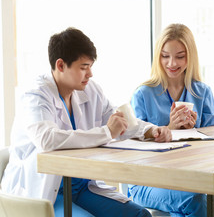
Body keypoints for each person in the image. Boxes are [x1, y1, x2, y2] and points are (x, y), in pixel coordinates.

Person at [1, 27, 172, 217]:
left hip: (82, 188)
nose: (90, 74)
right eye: (83, 67)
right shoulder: (35, 96)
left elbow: (117, 119)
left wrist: (151, 130)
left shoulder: (90, 90)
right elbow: (47, 140)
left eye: (90, 66)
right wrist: (107, 132)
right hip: (46, 191)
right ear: (60, 65)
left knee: (140, 215)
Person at [129, 23, 214, 217]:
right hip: (147, 182)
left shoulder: (202, 92)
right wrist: (169, 129)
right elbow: (132, 149)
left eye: (180, 56)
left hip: (190, 178)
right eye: (165, 56)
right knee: (194, 199)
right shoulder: (143, 94)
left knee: (195, 196)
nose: (172, 64)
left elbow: (212, 145)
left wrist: (194, 130)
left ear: (190, 57)